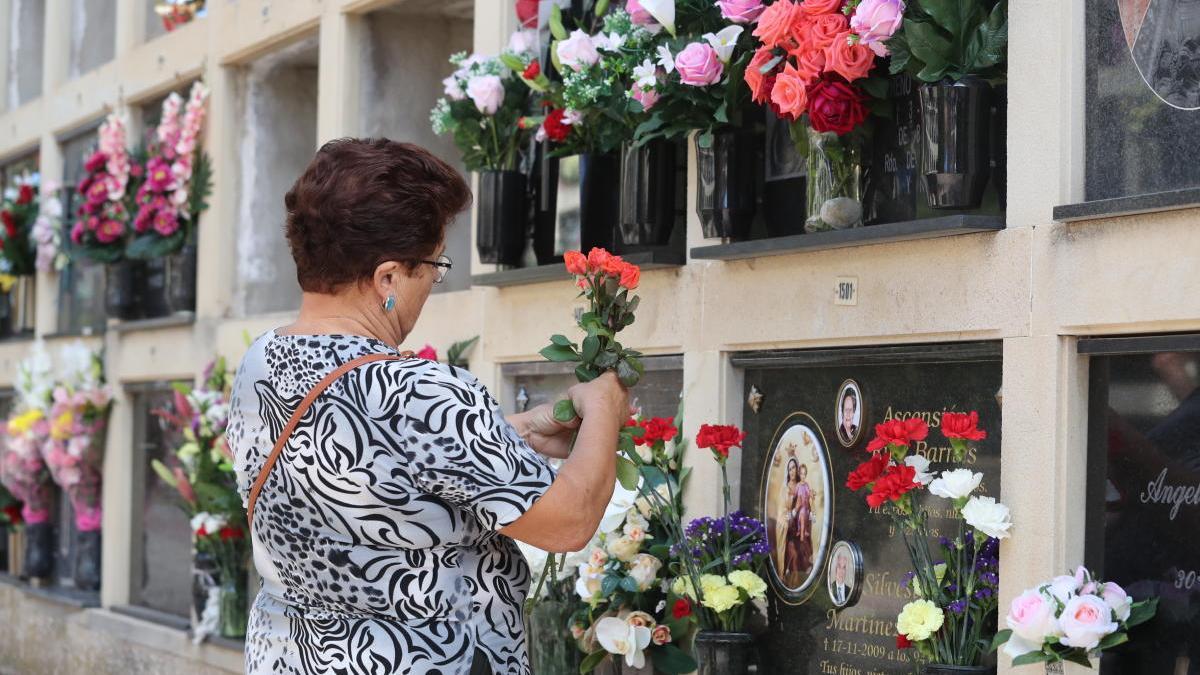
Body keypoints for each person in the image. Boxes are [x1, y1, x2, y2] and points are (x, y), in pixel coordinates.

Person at [227, 139, 629, 675]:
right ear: (387, 278)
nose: (433, 284)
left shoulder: (261, 362)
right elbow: (568, 524)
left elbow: (359, 467)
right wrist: (604, 405)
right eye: (433, 267)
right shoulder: (416, 391)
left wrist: (512, 434)